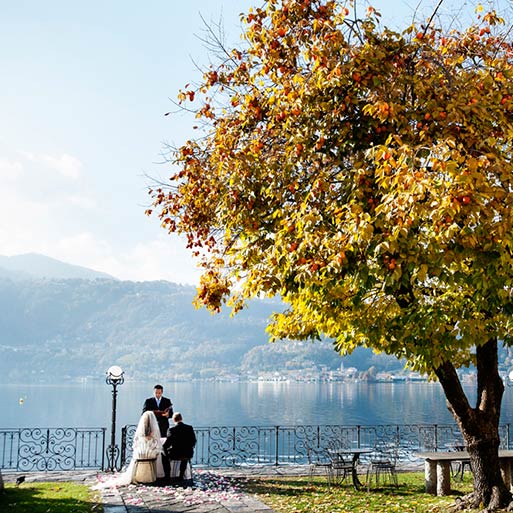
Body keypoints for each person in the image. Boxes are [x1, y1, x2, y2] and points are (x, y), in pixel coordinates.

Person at [93, 411, 163, 489]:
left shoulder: (140, 435)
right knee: (158, 454)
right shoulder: (153, 435)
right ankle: (152, 475)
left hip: (140, 455)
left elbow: (135, 445)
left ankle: (137, 474)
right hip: (150, 456)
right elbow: (157, 445)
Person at [163, 412, 197, 482]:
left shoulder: (171, 430)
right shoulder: (189, 428)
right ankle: (181, 476)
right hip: (188, 453)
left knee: (163, 456)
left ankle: (167, 475)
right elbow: (194, 441)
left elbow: (167, 444)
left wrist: (163, 447)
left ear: (174, 420)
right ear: (181, 418)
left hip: (175, 454)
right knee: (184, 457)